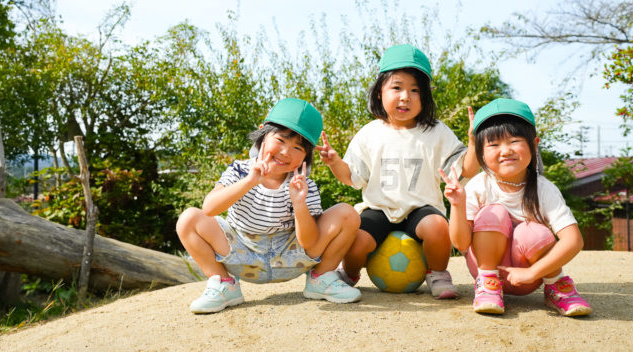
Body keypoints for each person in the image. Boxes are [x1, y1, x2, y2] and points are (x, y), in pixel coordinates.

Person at [319, 44, 479, 299]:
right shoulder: (370, 133)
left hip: (421, 207)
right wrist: (335, 162)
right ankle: (348, 274)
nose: (405, 96)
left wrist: (474, 145)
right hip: (379, 208)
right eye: (397, 87)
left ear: (425, 98)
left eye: (415, 90)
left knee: (438, 227)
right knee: (357, 240)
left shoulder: (436, 132)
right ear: (379, 92)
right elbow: (351, 178)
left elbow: (464, 170)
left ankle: (438, 273)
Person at [176, 98, 362, 314]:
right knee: (188, 218)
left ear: (306, 155)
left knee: (347, 213)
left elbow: (310, 244)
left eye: (297, 148)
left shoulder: (304, 185)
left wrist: (299, 203)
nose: (286, 152)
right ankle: (225, 284)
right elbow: (209, 208)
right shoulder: (239, 170)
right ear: (263, 132)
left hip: (290, 257)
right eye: (281, 140)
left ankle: (321, 280)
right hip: (241, 252)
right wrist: (250, 181)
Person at [441, 98, 593, 316]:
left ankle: (556, 286)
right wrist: (457, 204)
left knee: (531, 231)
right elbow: (460, 242)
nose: (505, 150)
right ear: (481, 153)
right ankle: (488, 284)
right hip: (487, 270)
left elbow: (573, 240)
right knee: (494, 213)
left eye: (514, 141)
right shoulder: (478, 186)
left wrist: (533, 273)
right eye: (493, 144)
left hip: (530, 276)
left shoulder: (543, 188)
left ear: (534, 143)